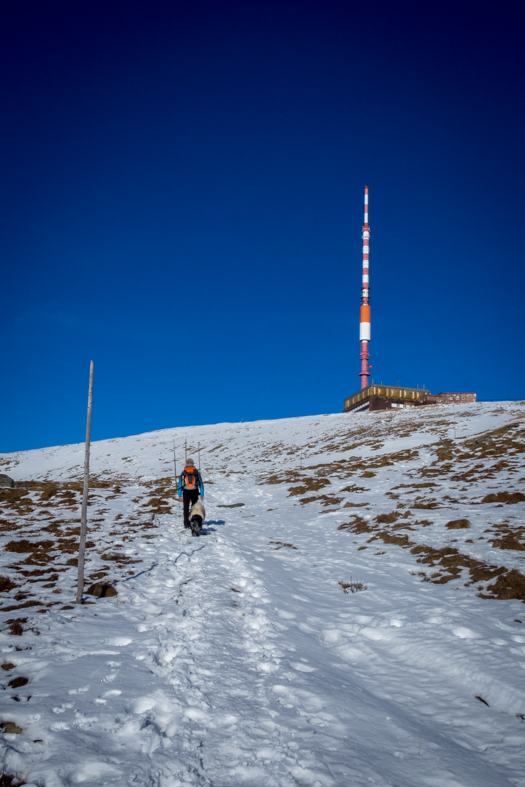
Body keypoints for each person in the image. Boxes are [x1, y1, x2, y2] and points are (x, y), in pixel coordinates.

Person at [177, 458, 204, 529]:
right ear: (193, 464)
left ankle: (186, 524)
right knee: (194, 508)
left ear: (186, 464)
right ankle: (194, 522)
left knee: (186, 508)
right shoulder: (196, 472)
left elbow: (180, 484)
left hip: (186, 492)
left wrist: (179, 495)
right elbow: (200, 483)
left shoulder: (184, 472)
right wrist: (202, 494)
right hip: (195, 491)